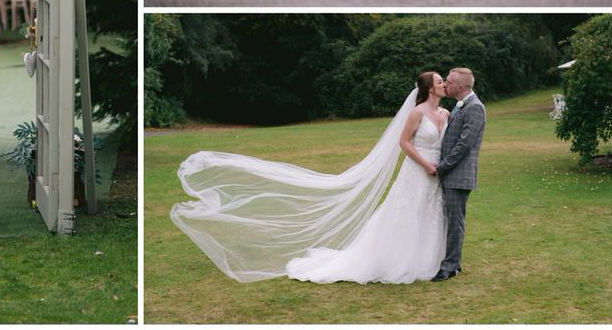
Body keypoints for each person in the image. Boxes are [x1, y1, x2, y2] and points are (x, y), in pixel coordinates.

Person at [170, 71, 452, 284]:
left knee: (430, 214)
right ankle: (394, 260)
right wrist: (425, 164)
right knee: (405, 213)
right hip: (417, 170)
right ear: (429, 88)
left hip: (436, 173)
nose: (443, 84)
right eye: (439, 81)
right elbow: (404, 142)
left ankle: (427, 259)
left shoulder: (446, 113)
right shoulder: (416, 113)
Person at [432, 67, 487, 282]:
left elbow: (464, 144)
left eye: (448, 81)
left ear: (461, 86)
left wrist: (442, 167)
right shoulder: (459, 105)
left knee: (455, 222)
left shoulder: (475, 108)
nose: (445, 84)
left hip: (459, 175)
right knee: (450, 220)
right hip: (452, 174)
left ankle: (451, 267)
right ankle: (452, 261)